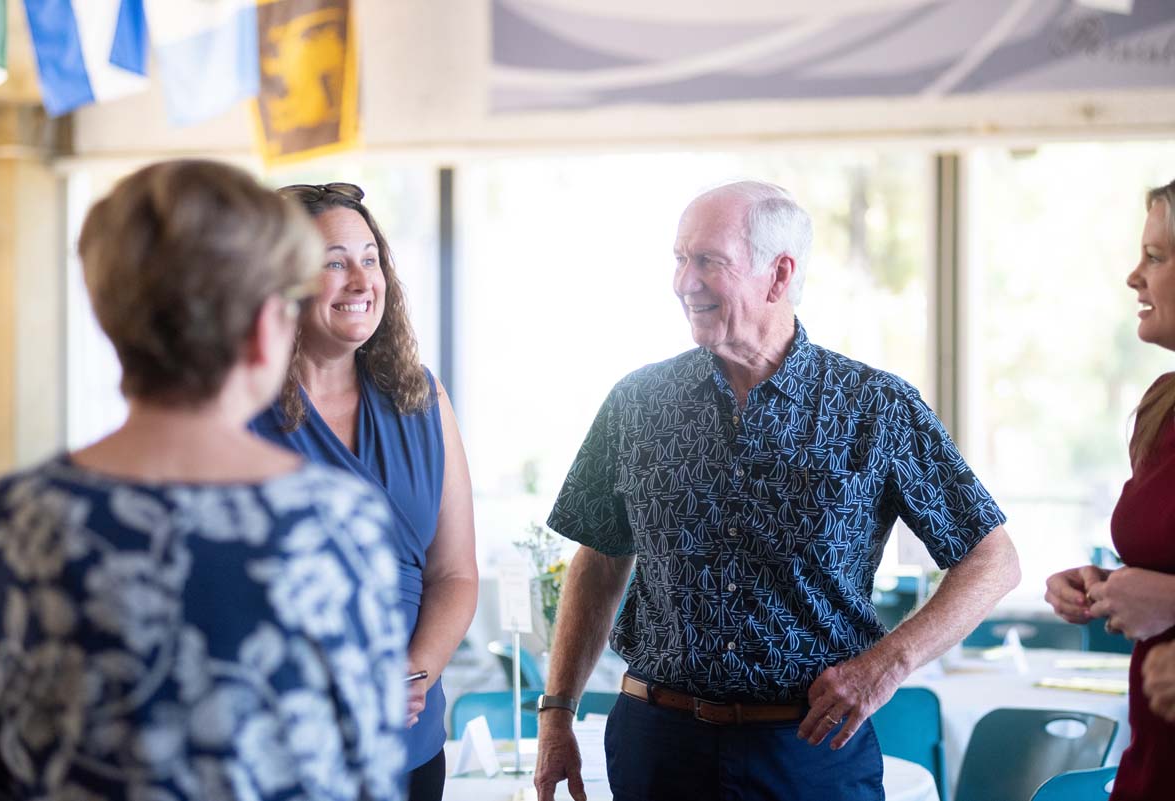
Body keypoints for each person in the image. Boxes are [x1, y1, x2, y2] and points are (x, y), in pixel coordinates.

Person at [534, 181, 1020, 801]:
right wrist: (557, 714)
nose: (684, 282)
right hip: (657, 745)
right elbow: (600, 559)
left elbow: (994, 559)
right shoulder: (637, 402)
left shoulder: (874, 407)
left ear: (778, 274)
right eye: (680, 259)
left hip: (809, 752)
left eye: (708, 260)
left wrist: (886, 667)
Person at [0, 160, 406, 800]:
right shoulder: (334, 524)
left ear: (110, 318)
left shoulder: (9, 519)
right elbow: (368, 775)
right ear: (267, 329)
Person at [250, 182, 478, 801]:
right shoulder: (236, 413)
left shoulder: (422, 397)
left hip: (408, 746)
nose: (361, 280)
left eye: (370, 258)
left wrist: (411, 674)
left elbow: (455, 574)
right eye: (333, 262)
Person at [1045, 178, 1175, 801]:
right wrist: (1103, 584)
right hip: (1152, 765)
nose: (1134, 276)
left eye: (1156, 256)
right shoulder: (1162, 408)